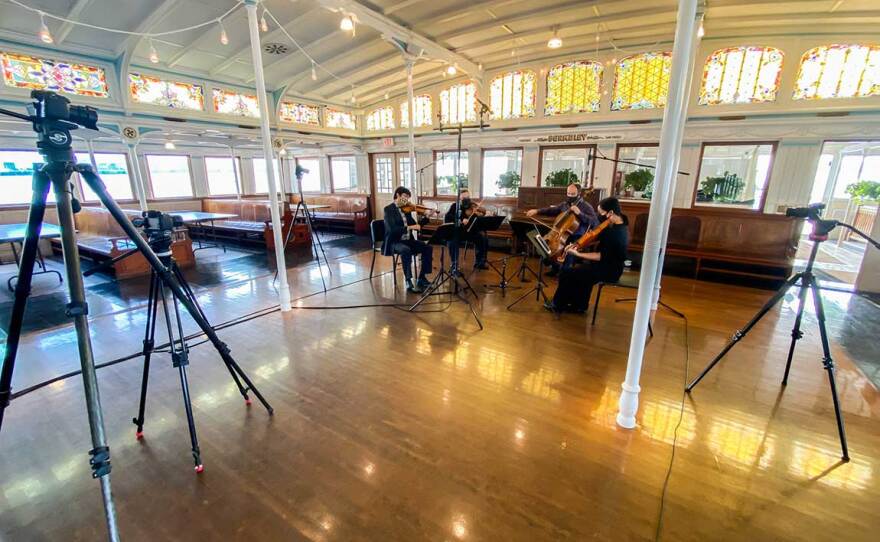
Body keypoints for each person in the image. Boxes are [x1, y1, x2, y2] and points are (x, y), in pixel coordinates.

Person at [545, 196, 629, 314]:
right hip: (605, 265)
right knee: (580, 273)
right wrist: (578, 244)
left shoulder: (616, 234)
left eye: (601, 213)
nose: (599, 216)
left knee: (567, 272)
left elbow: (601, 255)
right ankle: (579, 305)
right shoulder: (618, 223)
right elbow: (597, 235)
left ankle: (558, 304)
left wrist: (577, 253)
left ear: (611, 212)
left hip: (610, 270)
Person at [525, 182, 600, 276]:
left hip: (577, 235)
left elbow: (594, 222)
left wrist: (579, 213)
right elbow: (551, 210)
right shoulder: (564, 204)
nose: (570, 196)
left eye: (573, 194)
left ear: (579, 194)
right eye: (568, 193)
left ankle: (565, 272)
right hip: (561, 233)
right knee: (547, 247)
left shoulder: (586, 206)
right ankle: (555, 268)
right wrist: (536, 211)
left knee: (570, 248)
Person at [382, 186, 434, 293]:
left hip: (407, 240)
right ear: (397, 195)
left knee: (427, 247)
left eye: (408, 198)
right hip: (394, 242)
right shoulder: (388, 209)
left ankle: (422, 278)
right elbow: (392, 230)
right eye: (405, 196)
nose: (407, 200)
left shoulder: (406, 210)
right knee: (405, 250)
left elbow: (416, 225)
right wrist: (409, 228)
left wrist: (427, 217)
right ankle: (408, 280)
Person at [445, 189, 489, 270]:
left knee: (483, 237)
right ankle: (454, 264)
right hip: (458, 232)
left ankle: (480, 262)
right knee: (451, 241)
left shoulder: (472, 206)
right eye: (464, 198)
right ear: (460, 198)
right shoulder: (455, 206)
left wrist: (479, 214)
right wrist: (461, 220)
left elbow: (480, 216)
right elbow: (447, 218)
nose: (467, 200)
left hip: (470, 232)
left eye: (468, 197)